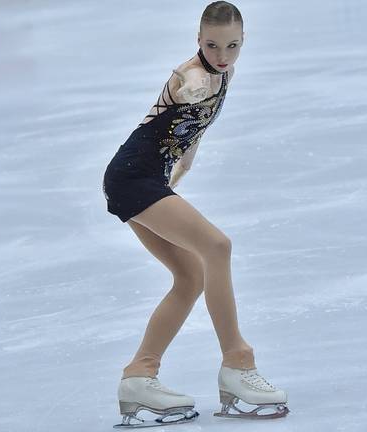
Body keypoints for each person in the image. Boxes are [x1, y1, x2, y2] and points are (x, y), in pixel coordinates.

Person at [103, 2, 289, 427]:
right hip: (134, 178)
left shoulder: (225, 73)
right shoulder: (192, 75)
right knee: (217, 246)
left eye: (232, 45)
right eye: (211, 45)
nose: (222, 54)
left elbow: (195, 124)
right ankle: (238, 362)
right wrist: (186, 87)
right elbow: (187, 91)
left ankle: (139, 375)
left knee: (190, 278)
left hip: (147, 178)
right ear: (197, 40)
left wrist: (186, 160)